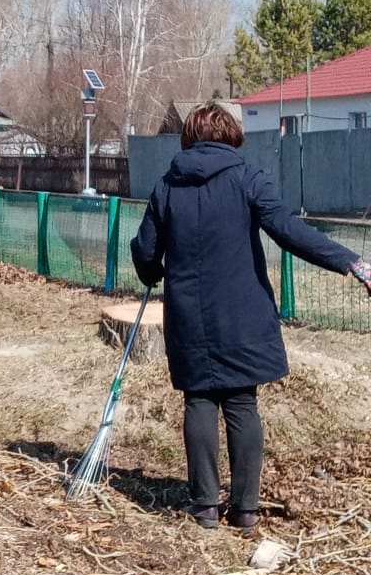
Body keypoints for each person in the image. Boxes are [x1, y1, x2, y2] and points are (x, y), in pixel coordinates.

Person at [130, 101, 371, 534]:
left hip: (188, 315)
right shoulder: (247, 178)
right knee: (242, 401)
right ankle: (244, 511)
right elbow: (288, 230)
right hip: (242, 314)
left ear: (189, 138)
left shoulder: (167, 185)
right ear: (232, 137)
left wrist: (152, 272)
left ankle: (204, 507)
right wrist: (353, 262)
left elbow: (146, 248)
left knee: (199, 400)